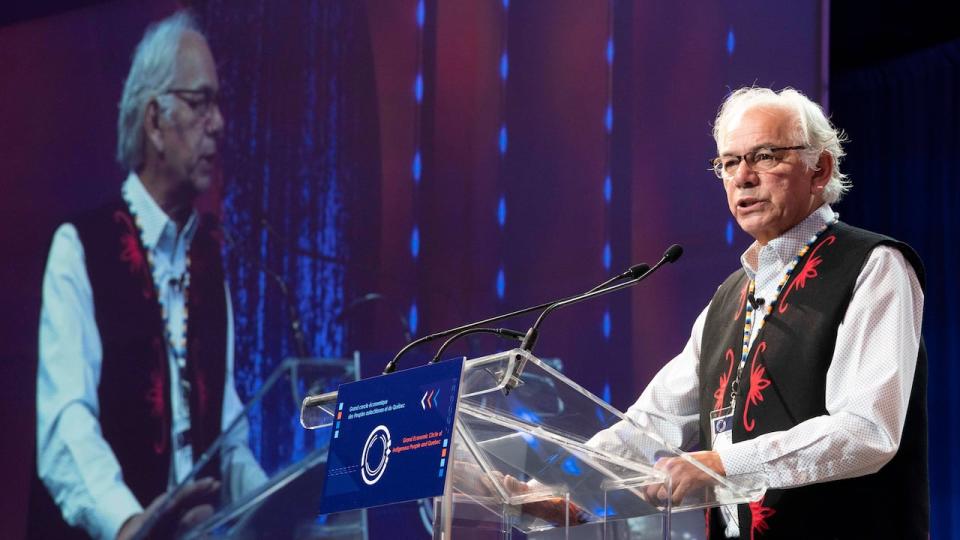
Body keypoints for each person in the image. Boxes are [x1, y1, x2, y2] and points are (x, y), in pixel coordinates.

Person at [589, 87, 927, 539]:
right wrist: (560, 484)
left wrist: (722, 464)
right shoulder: (727, 298)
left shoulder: (873, 265)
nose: (743, 177)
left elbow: (867, 431)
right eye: (729, 163)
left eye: (764, 156)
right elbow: (653, 423)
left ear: (820, 169)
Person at [34, 11, 264, 540]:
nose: (219, 123)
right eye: (199, 103)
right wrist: (131, 524)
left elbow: (227, 440)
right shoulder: (80, 248)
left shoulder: (210, 262)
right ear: (155, 121)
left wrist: (273, 499)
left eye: (219, 104)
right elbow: (65, 423)